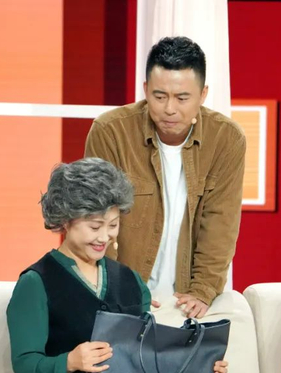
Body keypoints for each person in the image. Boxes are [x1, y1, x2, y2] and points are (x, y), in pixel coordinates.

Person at [7, 158, 228, 373]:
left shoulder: (130, 281)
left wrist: (199, 370)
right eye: (94, 226)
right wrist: (70, 361)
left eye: (113, 225)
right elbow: (25, 364)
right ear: (66, 220)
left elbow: (145, 357)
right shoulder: (36, 282)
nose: (104, 237)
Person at [84, 36, 246, 319]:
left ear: (203, 94)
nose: (170, 108)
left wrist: (203, 289)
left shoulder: (226, 139)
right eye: (159, 96)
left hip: (188, 298)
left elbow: (221, 222)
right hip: (121, 297)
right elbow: (95, 219)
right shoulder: (111, 132)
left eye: (182, 98)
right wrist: (114, 293)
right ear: (145, 89)